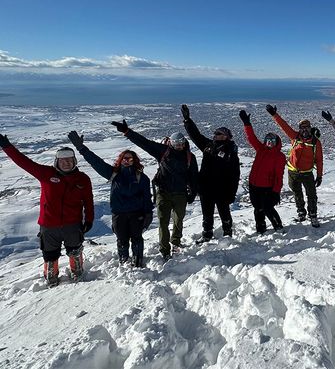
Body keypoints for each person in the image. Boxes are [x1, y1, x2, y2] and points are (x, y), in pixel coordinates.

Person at [0, 134, 94, 286]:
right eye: (63, 160)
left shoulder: (83, 179)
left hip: (72, 224)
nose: (66, 163)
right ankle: (51, 278)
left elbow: (88, 201)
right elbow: (23, 162)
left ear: (74, 161)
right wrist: (6, 146)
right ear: (57, 161)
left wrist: (89, 220)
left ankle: (77, 273)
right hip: (49, 226)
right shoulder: (45, 173)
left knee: (75, 251)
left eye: (69, 160)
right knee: (50, 256)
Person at [111, 119, 198, 260]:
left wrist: (193, 192)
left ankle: (175, 242)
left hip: (180, 193)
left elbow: (194, 176)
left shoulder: (189, 157)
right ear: (171, 143)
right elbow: (144, 143)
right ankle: (164, 250)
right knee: (163, 222)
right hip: (163, 192)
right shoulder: (163, 152)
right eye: (177, 144)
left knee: (178, 220)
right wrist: (127, 132)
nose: (180, 146)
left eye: (182, 144)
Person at [68, 131, 153, 267]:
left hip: (136, 214)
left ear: (134, 160)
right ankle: (124, 263)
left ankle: (138, 263)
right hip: (119, 215)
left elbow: (147, 198)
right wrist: (81, 148)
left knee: (137, 239)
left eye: (130, 158)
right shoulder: (114, 174)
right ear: (120, 160)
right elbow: (96, 162)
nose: (127, 160)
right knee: (122, 240)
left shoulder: (142, 178)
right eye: (125, 158)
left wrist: (148, 213)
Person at [181, 105, 240, 242]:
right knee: (207, 214)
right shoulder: (208, 145)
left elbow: (235, 175)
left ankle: (227, 233)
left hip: (222, 189)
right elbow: (195, 136)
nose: (215, 135)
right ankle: (207, 235)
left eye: (219, 133)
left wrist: (232, 193)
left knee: (224, 212)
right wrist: (187, 120)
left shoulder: (232, 152)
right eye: (215, 133)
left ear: (226, 136)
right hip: (206, 188)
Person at [266, 104, 323, 227]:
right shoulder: (294, 137)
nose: (304, 130)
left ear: (310, 128)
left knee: (311, 195)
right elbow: (283, 126)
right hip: (293, 172)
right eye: (302, 127)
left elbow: (319, 160)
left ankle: (313, 215)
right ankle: (301, 213)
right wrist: (274, 114)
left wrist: (319, 176)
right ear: (299, 129)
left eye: (307, 127)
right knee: (297, 193)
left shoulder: (315, 142)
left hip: (307, 173)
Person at [239, 109, 286, 233]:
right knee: (257, 208)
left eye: (272, 141)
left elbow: (279, 176)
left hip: (267, 188)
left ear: (277, 143)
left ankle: (278, 225)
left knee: (267, 208)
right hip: (254, 185)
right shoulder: (261, 150)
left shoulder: (279, 156)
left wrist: (276, 192)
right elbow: (252, 138)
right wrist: (247, 124)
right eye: (267, 141)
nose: (269, 143)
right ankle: (261, 228)